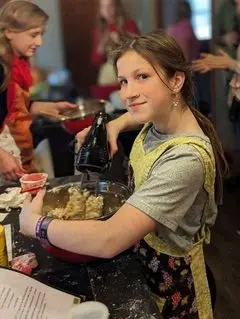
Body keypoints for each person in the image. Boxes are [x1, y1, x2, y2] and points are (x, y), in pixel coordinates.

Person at [19, 30, 228, 318]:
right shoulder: (163, 115)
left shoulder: (185, 159)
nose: (128, 93)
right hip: (142, 258)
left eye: (143, 77)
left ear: (176, 80)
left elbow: (109, 238)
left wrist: (36, 224)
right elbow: (132, 113)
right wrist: (113, 126)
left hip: (172, 284)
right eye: (124, 81)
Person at [0, 0, 76, 183]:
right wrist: (1, 156)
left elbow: (9, 108)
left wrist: (43, 107)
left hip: (17, 152)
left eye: (41, 34)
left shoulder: (19, 63)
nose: (39, 41)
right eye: (33, 34)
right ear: (9, 32)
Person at [90, 0, 139, 100]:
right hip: (107, 79)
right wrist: (102, 46)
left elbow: (140, 50)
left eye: (110, 6)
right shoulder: (98, 30)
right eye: (104, 7)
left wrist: (124, 38)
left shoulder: (129, 25)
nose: (107, 11)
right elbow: (95, 61)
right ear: (100, 11)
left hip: (128, 75)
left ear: (117, 7)